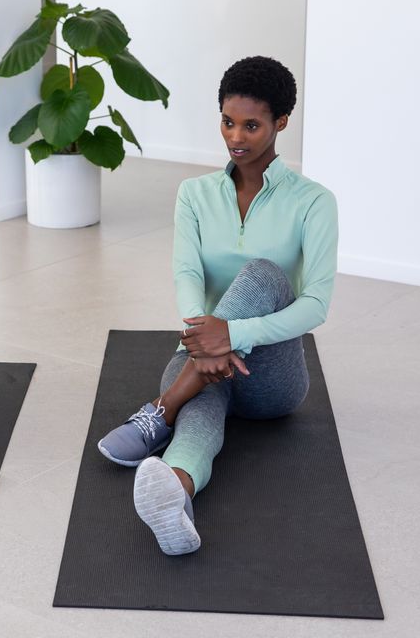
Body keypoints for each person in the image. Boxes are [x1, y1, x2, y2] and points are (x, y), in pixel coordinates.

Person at [97, 56, 338, 556]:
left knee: (262, 275)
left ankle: (160, 411)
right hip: (204, 356)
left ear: (281, 123)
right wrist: (204, 339)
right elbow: (187, 273)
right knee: (205, 403)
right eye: (228, 121)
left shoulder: (314, 202)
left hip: (272, 378)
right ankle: (176, 491)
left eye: (252, 125)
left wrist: (229, 337)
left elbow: (315, 305)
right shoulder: (194, 194)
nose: (236, 136)